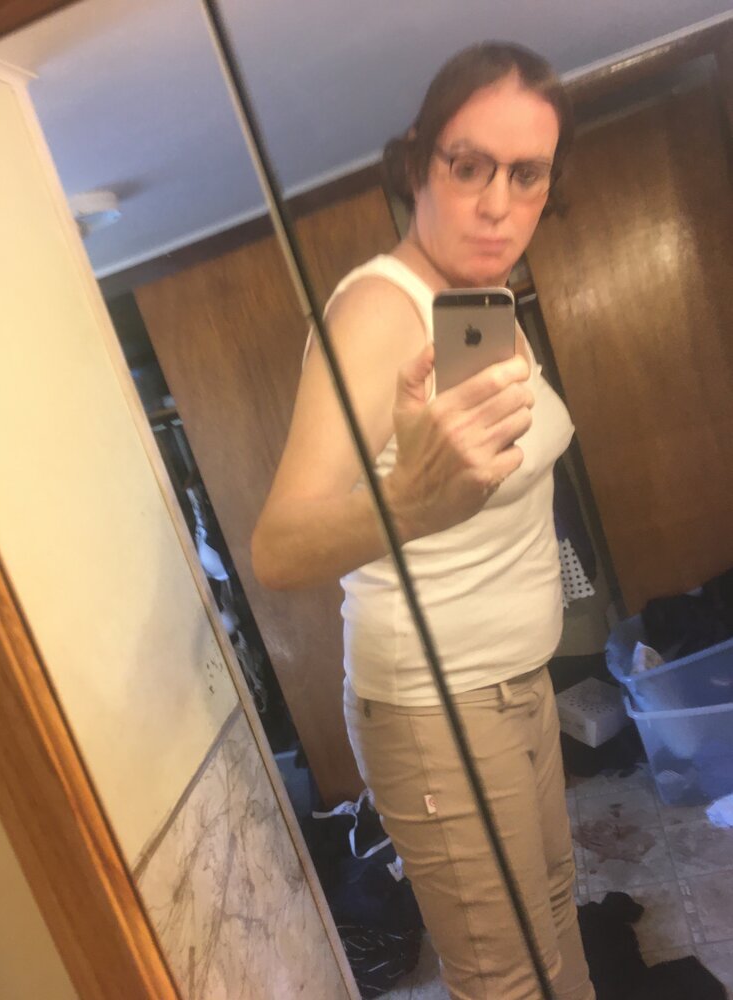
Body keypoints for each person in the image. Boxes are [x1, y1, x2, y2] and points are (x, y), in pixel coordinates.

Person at [252, 42, 595, 1000]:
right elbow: (277, 549)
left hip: (513, 679)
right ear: (417, 166)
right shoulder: (379, 311)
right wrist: (407, 503)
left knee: (555, 920)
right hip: (438, 706)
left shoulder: (480, 300)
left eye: (527, 174)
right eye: (469, 165)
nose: (498, 205)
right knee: (507, 977)